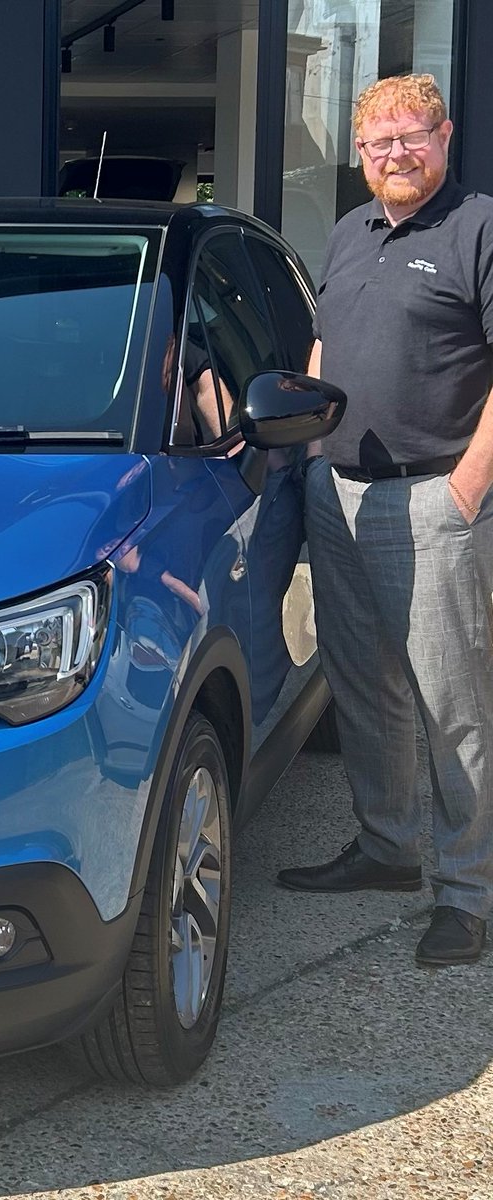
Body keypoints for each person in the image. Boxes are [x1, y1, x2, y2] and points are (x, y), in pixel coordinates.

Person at [277, 74, 493, 966]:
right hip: (338, 490)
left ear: (444, 136)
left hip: (432, 495)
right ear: (359, 154)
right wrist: (302, 438)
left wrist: (466, 490)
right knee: (362, 684)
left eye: (412, 136)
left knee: (452, 706)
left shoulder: (477, 227)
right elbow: (327, 343)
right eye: (379, 142)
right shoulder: (349, 232)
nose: (396, 153)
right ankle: (387, 848)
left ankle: (468, 893)